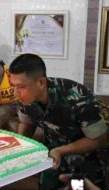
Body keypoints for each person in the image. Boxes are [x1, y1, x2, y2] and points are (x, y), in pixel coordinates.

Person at [8, 53, 108, 190]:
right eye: (13, 86)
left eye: (21, 87)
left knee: (77, 187)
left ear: (41, 83)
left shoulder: (77, 95)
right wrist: (18, 145)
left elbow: (99, 139)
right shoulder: (25, 97)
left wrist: (61, 150)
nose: (15, 92)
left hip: (84, 162)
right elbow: (27, 122)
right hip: (52, 158)